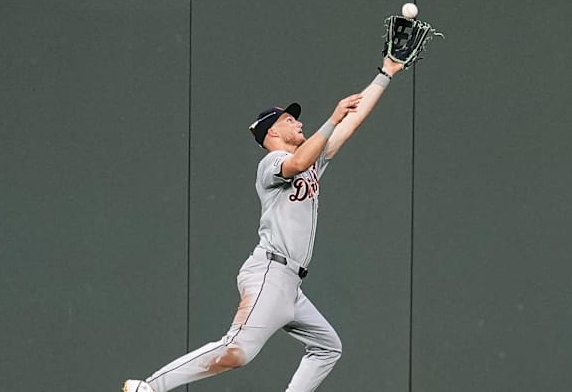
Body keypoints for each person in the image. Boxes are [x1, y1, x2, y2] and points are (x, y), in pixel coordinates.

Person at [123, 56, 404, 392]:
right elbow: (299, 160)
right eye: (290, 119)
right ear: (272, 131)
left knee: (328, 347)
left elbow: (351, 122)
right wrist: (330, 119)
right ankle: (149, 388)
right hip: (270, 273)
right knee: (237, 351)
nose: (298, 123)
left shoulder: (314, 162)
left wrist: (386, 73)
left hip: (291, 285)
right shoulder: (271, 162)